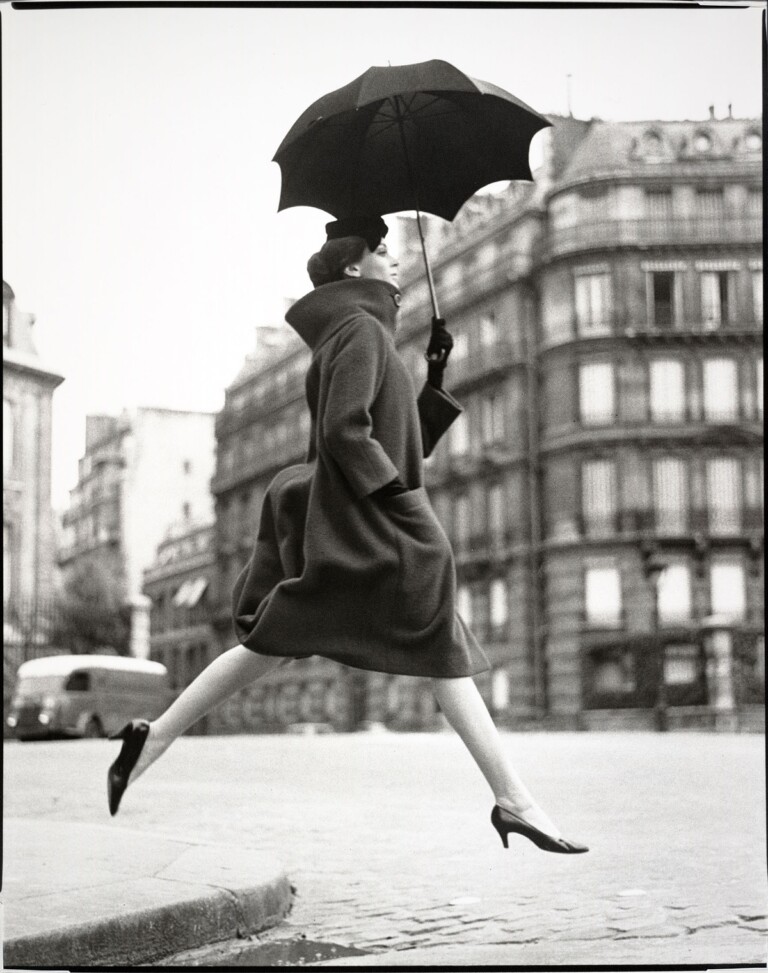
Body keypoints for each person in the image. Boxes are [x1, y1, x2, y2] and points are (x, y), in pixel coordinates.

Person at [108, 215, 587, 855]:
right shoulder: (362, 329)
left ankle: (155, 737)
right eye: (383, 251)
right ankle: (514, 800)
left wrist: (435, 382)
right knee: (435, 645)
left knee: (279, 643)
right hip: (373, 524)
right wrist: (397, 500)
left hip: (348, 524)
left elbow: (387, 436)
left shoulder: (346, 333)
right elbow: (344, 432)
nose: (395, 259)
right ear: (354, 268)